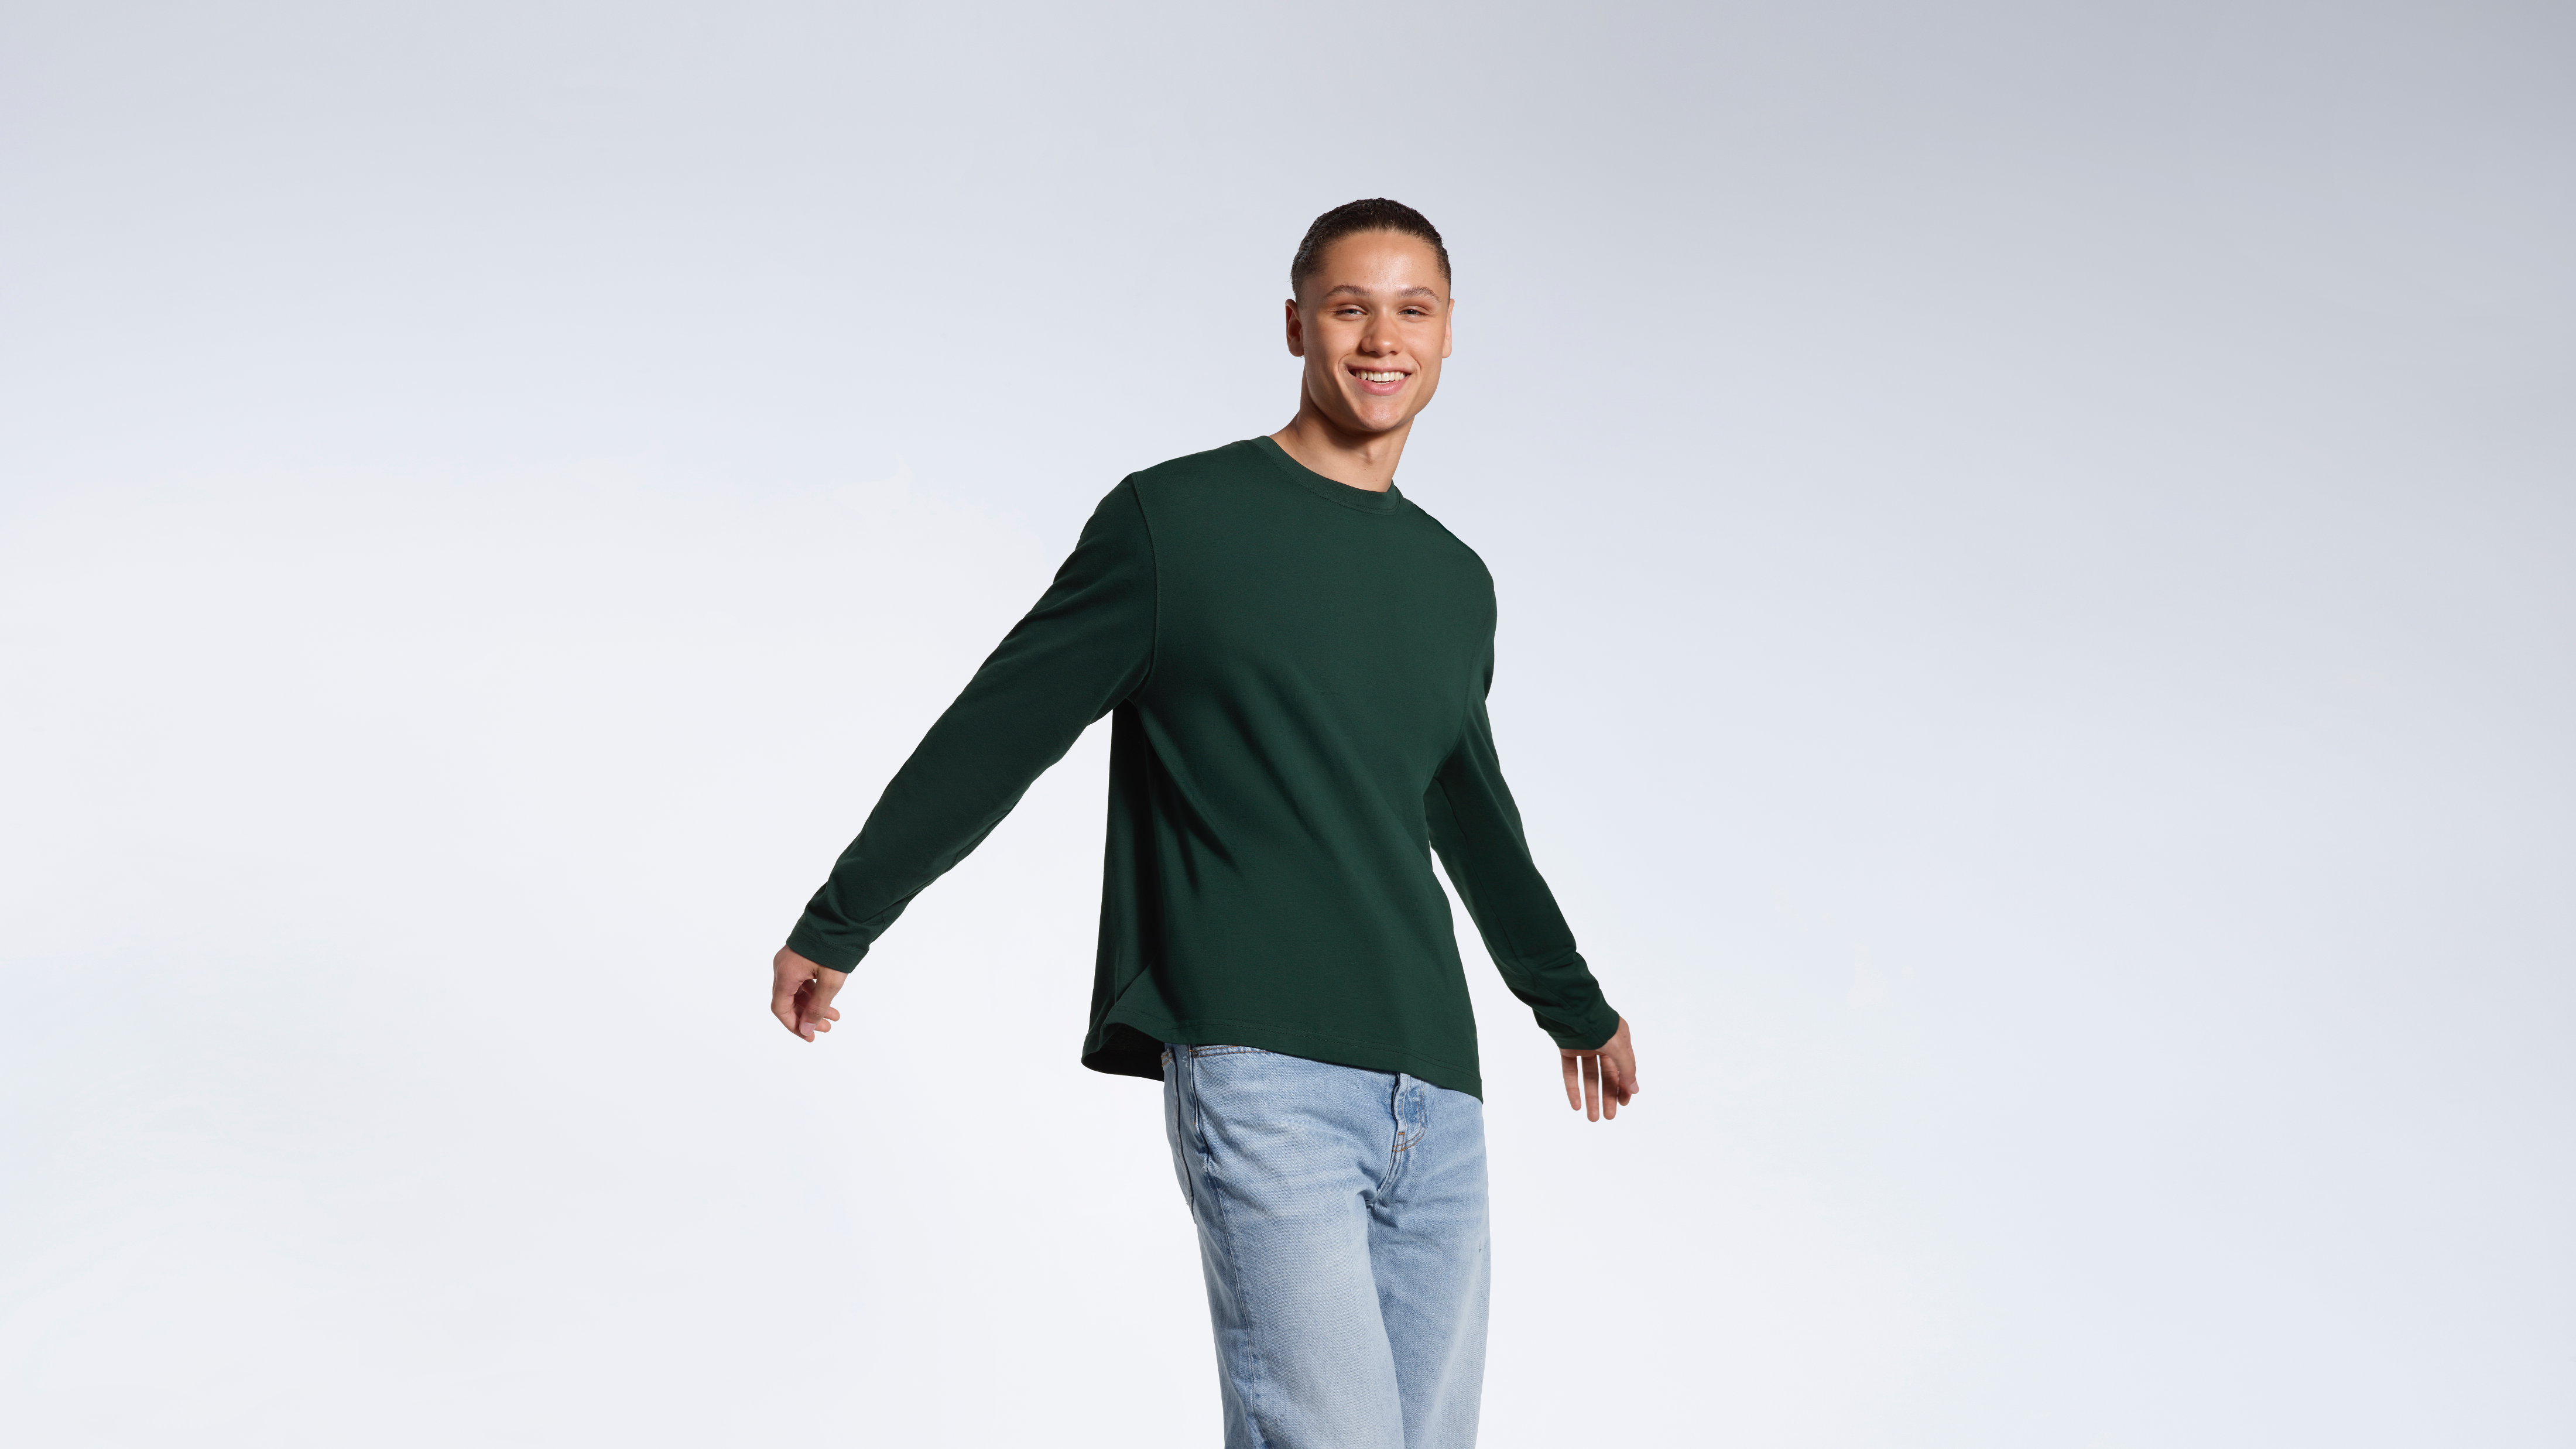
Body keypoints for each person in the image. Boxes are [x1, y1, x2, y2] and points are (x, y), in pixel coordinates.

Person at [768, 197, 1639, 1448]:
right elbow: (1002, 725)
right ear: (1296, 323)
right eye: (1349, 307)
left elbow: (1468, 810)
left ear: (1449, 336)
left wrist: (1573, 1002)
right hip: (1261, 1065)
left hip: (1436, 1092)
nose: (1380, 338)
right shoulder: (1176, 524)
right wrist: (843, 916)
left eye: (1412, 309)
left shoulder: (1454, 582)